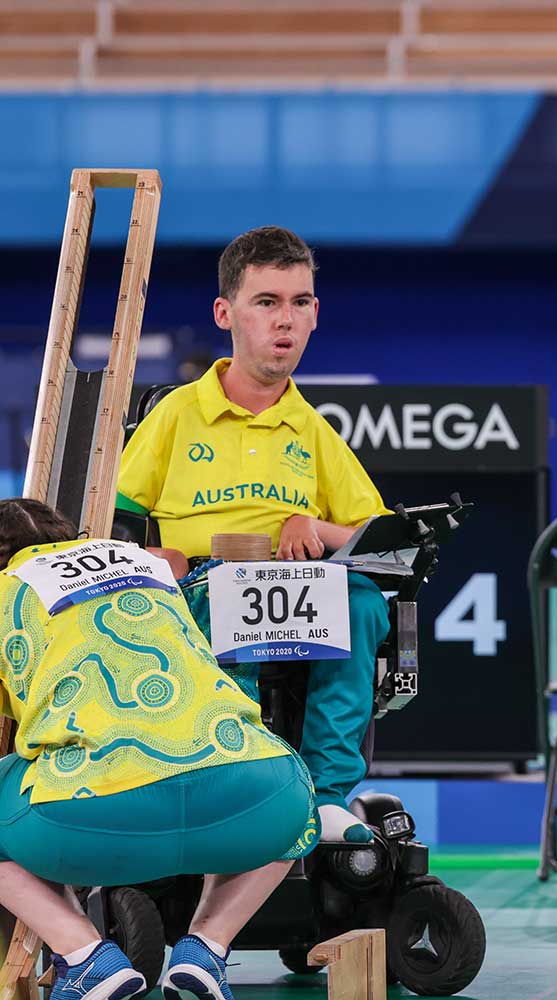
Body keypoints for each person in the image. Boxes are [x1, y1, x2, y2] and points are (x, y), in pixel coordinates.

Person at [114, 226, 391, 845]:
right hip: (200, 587)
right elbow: (110, 521)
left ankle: (327, 798)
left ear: (315, 315)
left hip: (297, 589)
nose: (284, 320)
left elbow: (377, 539)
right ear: (225, 313)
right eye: (266, 302)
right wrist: (146, 553)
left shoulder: (314, 431)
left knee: (365, 602)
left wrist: (314, 526)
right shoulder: (176, 414)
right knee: (216, 602)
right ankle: (235, 781)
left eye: (299, 302)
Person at [0, 499, 318, 1000]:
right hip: (253, 798)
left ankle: (84, 957)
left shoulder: (5, 590)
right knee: (299, 808)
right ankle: (206, 950)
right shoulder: (148, 566)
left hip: (96, 814)